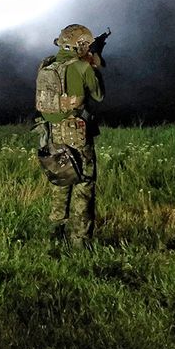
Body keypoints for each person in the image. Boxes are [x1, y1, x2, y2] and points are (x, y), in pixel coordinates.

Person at [34, 23, 105, 247]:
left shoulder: (47, 64)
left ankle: (54, 237)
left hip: (52, 134)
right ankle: (80, 242)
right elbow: (99, 95)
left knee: (61, 181)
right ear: (81, 45)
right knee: (84, 185)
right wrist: (94, 64)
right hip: (77, 134)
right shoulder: (82, 67)